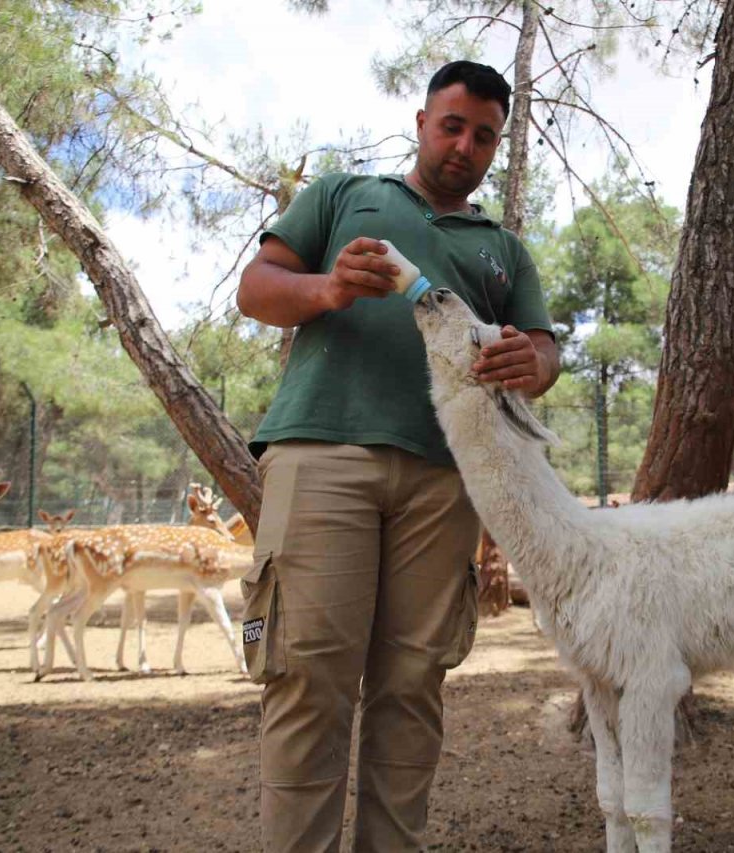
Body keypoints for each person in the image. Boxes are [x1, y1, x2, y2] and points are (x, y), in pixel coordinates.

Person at [235, 60, 559, 852]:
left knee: (413, 686)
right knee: (309, 677)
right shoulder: (346, 195)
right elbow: (256, 288)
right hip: (322, 453)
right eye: (452, 125)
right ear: (420, 122)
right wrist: (329, 290)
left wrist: (533, 362)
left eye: (484, 136)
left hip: (448, 478)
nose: (465, 145)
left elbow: (544, 351)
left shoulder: (503, 249)